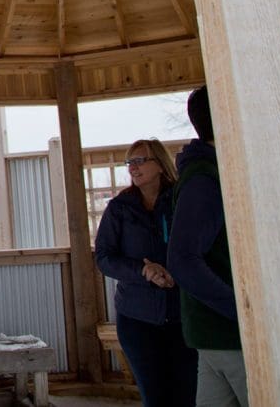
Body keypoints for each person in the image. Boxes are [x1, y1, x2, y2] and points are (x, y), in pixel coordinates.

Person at [95, 139, 198, 407]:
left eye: (140, 161)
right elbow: (104, 258)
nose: (133, 167)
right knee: (155, 396)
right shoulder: (120, 208)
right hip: (137, 317)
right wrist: (142, 270)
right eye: (130, 162)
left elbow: (200, 245)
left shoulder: (182, 200)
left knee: (187, 394)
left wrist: (179, 272)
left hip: (183, 315)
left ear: (161, 165)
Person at [167, 86, 249, 406]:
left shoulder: (212, 172)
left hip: (215, 334)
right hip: (229, 335)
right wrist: (240, 311)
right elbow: (184, 259)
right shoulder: (205, 179)